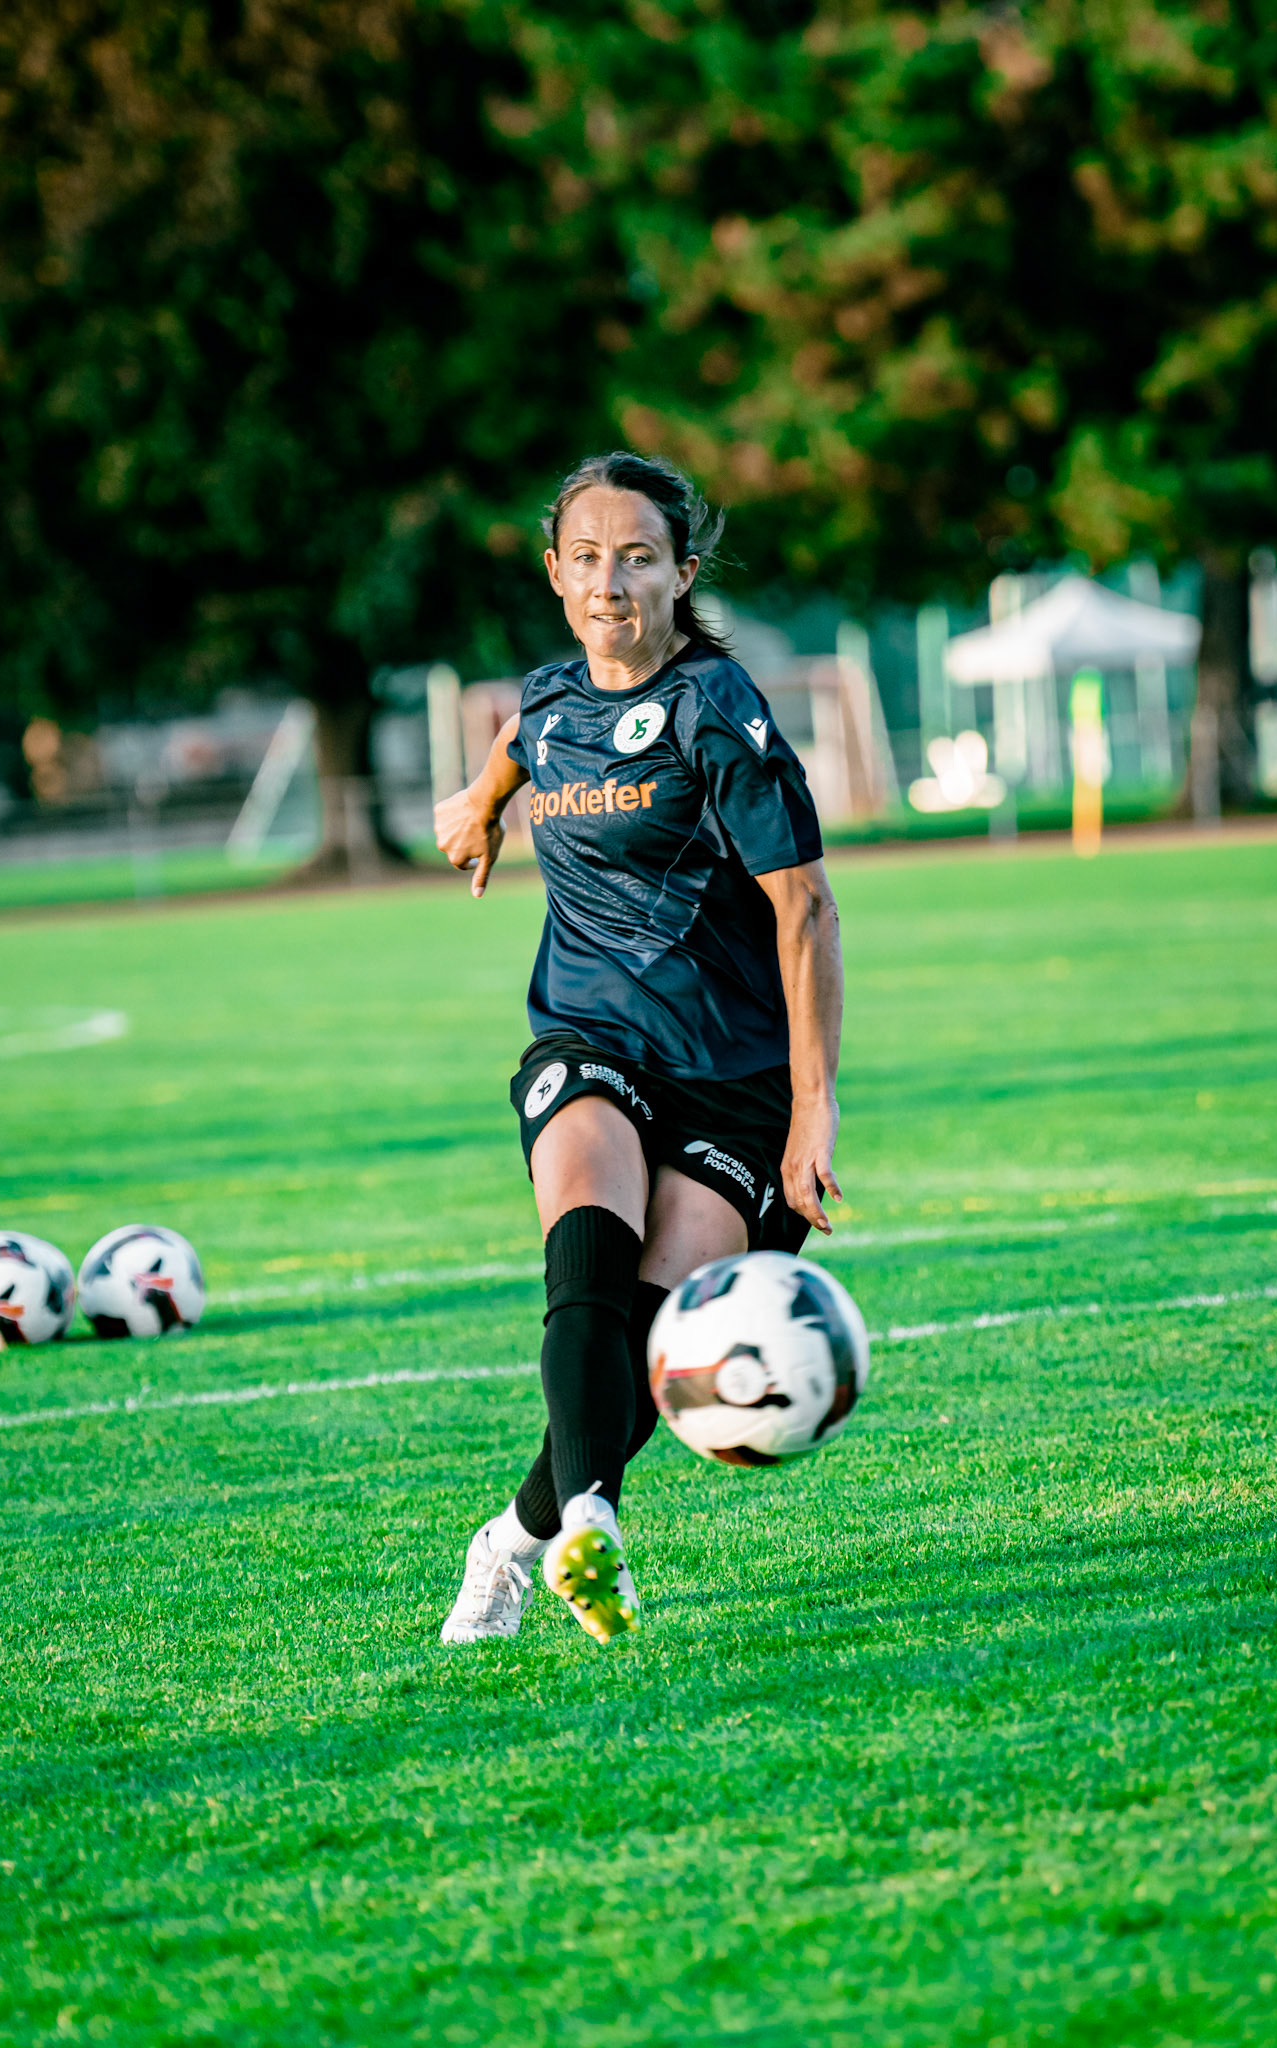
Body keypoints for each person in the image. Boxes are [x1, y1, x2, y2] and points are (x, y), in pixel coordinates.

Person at [434, 451, 843, 1647]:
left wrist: (812, 1117)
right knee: (587, 1262)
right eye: (589, 556)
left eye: (639, 557)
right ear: (555, 570)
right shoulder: (552, 694)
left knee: (658, 1337)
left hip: (731, 1077)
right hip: (588, 1038)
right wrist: (479, 799)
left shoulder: (722, 709)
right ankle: (591, 1525)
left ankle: (514, 1535)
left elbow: (805, 908)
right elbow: (527, 731)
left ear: (682, 572)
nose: (611, 580)